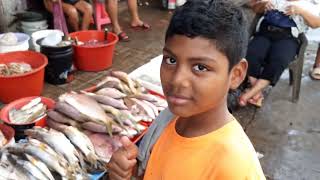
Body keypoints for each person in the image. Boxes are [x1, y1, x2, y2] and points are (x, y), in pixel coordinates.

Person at [107, 0, 266, 179]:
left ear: (236, 75)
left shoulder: (235, 167)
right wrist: (128, 173)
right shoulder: (168, 118)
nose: (177, 80)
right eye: (171, 60)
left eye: (200, 67)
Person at [239, 0, 320, 107]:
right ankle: (256, 93)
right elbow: (255, 8)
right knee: (251, 54)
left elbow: (316, 23)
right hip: (265, 33)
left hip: (288, 37)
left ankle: (248, 94)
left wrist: (301, 11)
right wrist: (263, 5)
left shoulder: (308, 3)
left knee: (280, 59)